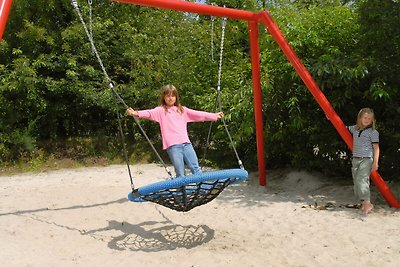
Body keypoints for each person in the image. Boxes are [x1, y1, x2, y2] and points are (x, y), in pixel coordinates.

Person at [127, 84, 224, 178]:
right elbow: (149, 113)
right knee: (180, 173)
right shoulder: (160, 110)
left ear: (176, 97)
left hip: (186, 143)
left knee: (196, 169)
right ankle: (182, 193)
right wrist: (135, 113)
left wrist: (214, 116)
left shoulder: (182, 110)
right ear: (164, 97)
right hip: (173, 146)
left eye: (173, 96)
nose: (171, 98)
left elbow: (199, 114)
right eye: (168, 96)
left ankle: (203, 191)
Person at [347, 108, 380, 214]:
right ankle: (363, 202)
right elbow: (341, 126)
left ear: (372, 120)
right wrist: (330, 118)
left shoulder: (373, 132)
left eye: (369, 118)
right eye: (365, 118)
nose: (367, 120)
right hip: (356, 158)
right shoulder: (355, 129)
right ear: (360, 118)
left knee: (362, 180)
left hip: (366, 159)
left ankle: (367, 203)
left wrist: (375, 162)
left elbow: (376, 148)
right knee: (356, 182)